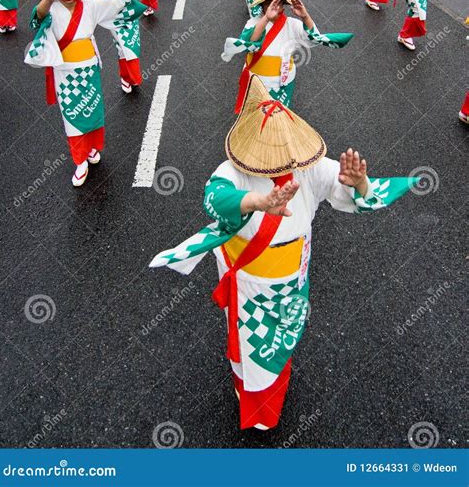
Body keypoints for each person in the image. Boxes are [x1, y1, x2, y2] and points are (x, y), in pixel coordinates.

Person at [150, 74, 419, 431]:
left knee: (279, 342)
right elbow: (213, 197)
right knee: (248, 343)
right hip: (247, 280)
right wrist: (257, 201)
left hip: (291, 279)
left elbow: (355, 197)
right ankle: (249, 394)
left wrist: (361, 183)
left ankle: (265, 394)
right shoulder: (231, 172)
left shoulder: (309, 167)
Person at [24, 0, 144, 187]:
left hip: (90, 70)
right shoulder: (51, 8)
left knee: (94, 113)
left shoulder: (89, 6)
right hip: (66, 74)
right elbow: (36, 19)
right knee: (73, 119)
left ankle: (92, 149)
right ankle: (80, 161)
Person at [222, 0, 353, 110]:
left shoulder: (292, 24)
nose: (273, 6)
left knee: (276, 121)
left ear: (283, 3)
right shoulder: (254, 22)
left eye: (277, 2)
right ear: (261, 5)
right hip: (256, 80)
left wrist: (305, 16)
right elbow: (248, 43)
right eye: (268, 2)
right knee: (255, 118)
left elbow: (313, 38)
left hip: (280, 83)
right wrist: (266, 18)